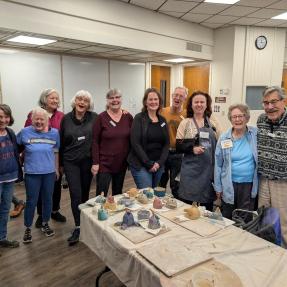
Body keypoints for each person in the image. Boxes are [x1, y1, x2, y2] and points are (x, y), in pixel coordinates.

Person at [60, 90, 97, 246]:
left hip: (87, 162)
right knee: (75, 194)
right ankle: (77, 227)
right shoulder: (66, 119)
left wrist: (123, 111)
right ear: (74, 101)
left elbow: (107, 122)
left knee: (85, 195)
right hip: (71, 162)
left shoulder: (94, 118)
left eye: (85, 100)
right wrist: (60, 164)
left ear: (89, 104)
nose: (82, 102)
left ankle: (84, 224)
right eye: (79, 99)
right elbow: (61, 142)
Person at [17, 107, 60, 244]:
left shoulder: (55, 133)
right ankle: (28, 228)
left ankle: (45, 223)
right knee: (31, 201)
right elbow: (15, 149)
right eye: (36, 119)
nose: (39, 122)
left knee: (48, 199)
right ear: (32, 120)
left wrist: (56, 169)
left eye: (42, 119)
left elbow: (56, 151)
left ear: (47, 120)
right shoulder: (24, 132)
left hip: (49, 173)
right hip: (32, 173)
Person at [24, 88, 65, 227]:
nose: (55, 100)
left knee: (55, 185)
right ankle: (41, 215)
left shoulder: (61, 116)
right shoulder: (34, 113)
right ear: (44, 99)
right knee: (40, 190)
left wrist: (59, 164)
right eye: (51, 98)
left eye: (56, 98)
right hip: (37, 160)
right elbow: (26, 135)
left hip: (55, 156)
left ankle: (54, 210)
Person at [176, 91, 221, 211]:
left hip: (208, 172)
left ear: (207, 105)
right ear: (191, 105)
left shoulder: (213, 122)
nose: (199, 104)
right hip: (191, 172)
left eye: (202, 102)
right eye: (196, 102)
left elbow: (219, 144)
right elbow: (178, 146)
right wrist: (192, 149)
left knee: (206, 209)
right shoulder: (185, 123)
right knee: (188, 208)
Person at [214, 104, 258, 219]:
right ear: (230, 119)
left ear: (247, 118)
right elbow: (218, 164)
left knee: (245, 217)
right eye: (234, 117)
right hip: (229, 184)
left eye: (241, 116)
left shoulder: (254, 134)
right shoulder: (224, 138)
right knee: (228, 216)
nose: (237, 119)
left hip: (248, 184)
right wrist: (218, 187)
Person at [257, 86, 287, 248]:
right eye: (266, 103)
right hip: (263, 178)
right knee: (263, 217)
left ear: (283, 101)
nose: (269, 107)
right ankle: (266, 251)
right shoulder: (261, 120)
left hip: (283, 182)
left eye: (274, 102)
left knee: (283, 222)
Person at [91, 89, 133, 196]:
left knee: (118, 193)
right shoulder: (101, 118)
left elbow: (132, 139)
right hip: (104, 164)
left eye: (117, 97)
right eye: (111, 98)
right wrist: (95, 163)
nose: (115, 100)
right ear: (107, 100)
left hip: (121, 163)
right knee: (101, 194)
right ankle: (100, 213)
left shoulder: (128, 117)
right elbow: (95, 141)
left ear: (121, 99)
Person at [127, 88, 169, 189]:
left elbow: (166, 144)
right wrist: (149, 164)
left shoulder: (162, 120)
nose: (153, 102)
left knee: (154, 195)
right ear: (145, 102)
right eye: (150, 99)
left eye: (156, 99)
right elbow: (135, 143)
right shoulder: (139, 118)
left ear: (159, 101)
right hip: (141, 165)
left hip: (158, 165)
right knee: (147, 194)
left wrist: (159, 163)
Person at [159, 86, 187, 199]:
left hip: (179, 155)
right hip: (163, 154)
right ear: (172, 96)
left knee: (176, 185)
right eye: (176, 95)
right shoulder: (162, 111)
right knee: (160, 184)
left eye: (181, 96)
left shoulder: (187, 114)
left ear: (185, 99)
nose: (178, 98)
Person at [0, 104, 22, 248]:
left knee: (5, 209)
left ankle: (2, 237)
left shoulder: (10, 133)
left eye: (6, 117)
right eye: (0, 117)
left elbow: (16, 151)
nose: (3, 120)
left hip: (10, 177)